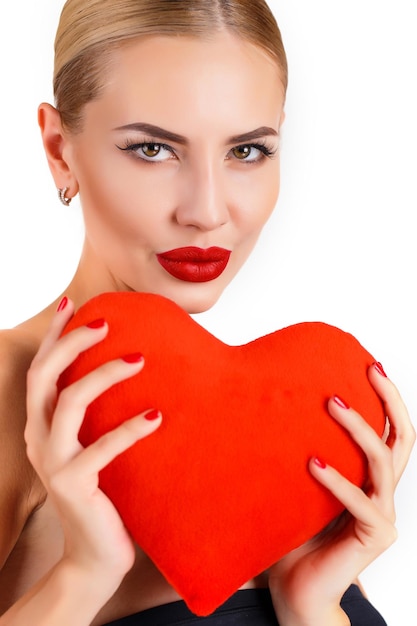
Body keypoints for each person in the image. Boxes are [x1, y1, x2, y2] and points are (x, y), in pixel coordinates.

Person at [0, 1, 414, 624]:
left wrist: (311, 602)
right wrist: (83, 576)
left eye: (246, 152)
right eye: (151, 149)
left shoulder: (290, 422)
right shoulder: (11, 390)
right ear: (60, 150)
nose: (208, 211)